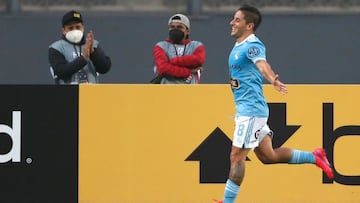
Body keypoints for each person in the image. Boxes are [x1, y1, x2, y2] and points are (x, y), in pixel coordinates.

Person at [215, 5, 334, 203]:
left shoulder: (252, 45)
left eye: (237, 20)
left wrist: (273, 80)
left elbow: (262, 64)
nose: (232, 22)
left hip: (251, 111)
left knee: (237, 156)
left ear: (249, 25)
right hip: (250, 110)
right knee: (268, 156)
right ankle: (315, 156)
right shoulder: (239, 45)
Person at [48, 10, 111, 84]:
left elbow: (105, 68)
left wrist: (93, 53)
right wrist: (83, 59)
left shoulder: (93, 44)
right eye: (70, 28)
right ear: (63, 30)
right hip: (66, 93)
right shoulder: (56, 47)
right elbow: (60, 72)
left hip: (91, 93)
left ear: (83, 28)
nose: (75, 30)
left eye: (78, 27)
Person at [151, 13, 206, 84]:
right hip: (166, 91)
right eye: (172, 27)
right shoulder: (161, 46)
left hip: (191, 91)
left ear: (187, 31)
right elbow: (163, 68)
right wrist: (189, 71)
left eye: (179, 27)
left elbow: (198, 60)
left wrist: (173, 61)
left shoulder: (196, 45)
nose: (175, 29)